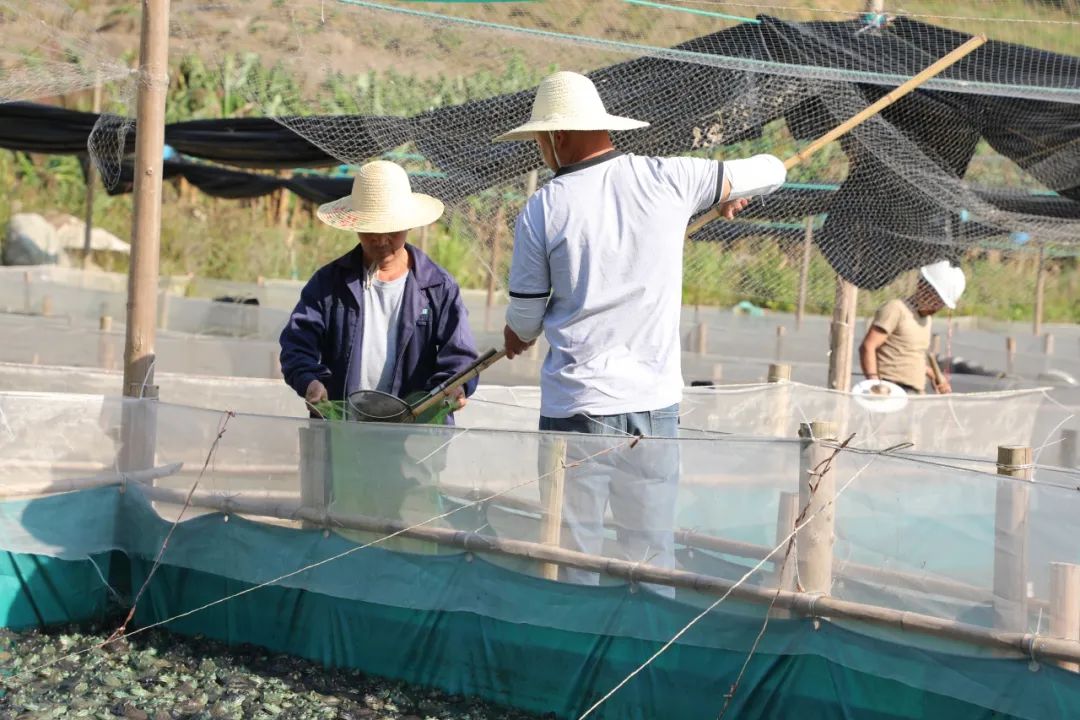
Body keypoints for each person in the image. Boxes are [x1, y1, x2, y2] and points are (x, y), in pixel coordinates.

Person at [494, 71, 787, 589]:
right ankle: (648, 654)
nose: (540, 148)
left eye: (540, 138)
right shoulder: (670, 178)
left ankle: (579, 654)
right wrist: (721, 192)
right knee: (651, 556)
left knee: (573, 556)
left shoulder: (545, 207)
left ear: (559, 137)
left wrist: (518, 335)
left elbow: (525, 318)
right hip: (654, 409)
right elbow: (773, 168)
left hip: (579, 410)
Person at [279, 159, 479, 418]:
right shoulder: (329, 284)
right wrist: (310, 381)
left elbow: (459, 356)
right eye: (371, 230)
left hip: (412, 437)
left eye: (391, 230)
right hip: (343, 431)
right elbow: (297, 345)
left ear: (408, 224)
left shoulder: (438, 286)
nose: (381, 240)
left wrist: (456, 386)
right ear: (357, 225)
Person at [859, 260, 966, 395]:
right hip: (891, 390)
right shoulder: (896, 309)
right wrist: (874, 385)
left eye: (941, 303)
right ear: (922, 286)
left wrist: (934, 375)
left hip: (915, 394)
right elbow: (868, 346)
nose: (937, 307)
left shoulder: (927, 320)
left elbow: (911, 356)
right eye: (936, 299)